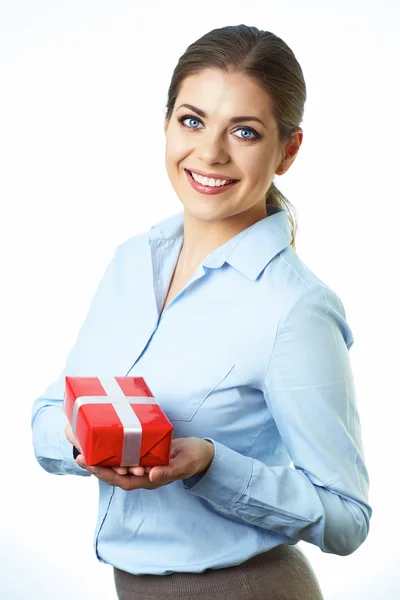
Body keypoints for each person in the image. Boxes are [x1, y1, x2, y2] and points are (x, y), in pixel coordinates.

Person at [31, 24, 372, 600]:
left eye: (244, 131)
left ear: (287, 151)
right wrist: (82, 442)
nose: (210, 153)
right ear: (165, 124)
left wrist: (210, 465)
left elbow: (347, 519)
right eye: (192, 120)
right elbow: (48, 414)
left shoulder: (296, 309)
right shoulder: (132, 262)